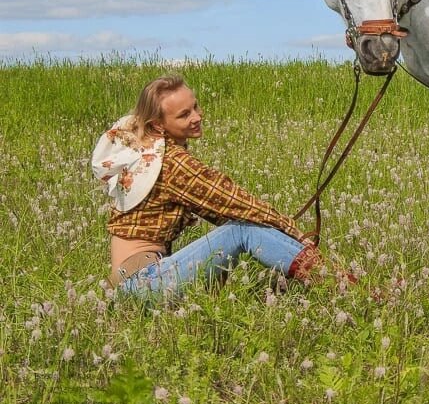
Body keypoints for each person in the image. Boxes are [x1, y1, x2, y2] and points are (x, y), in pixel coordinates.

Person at [92, 74, 326, 296]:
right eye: (184, 115)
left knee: (243, 226)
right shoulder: (171, 163)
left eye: (195, 106)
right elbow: (234, 202)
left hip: (135, 279)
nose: (197, 116)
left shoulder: (149, 150)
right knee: (241, 230)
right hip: (144, 282)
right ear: (159, 125)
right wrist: (294, 232)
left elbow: (221, 210)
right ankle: (338, 282)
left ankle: (327, 278)